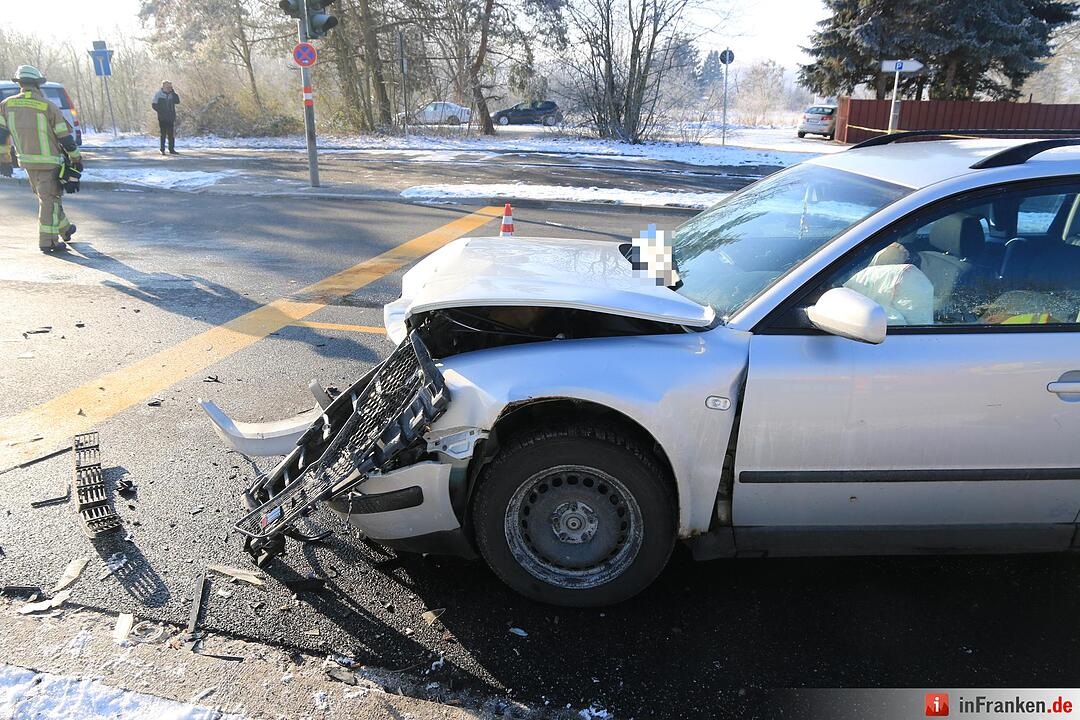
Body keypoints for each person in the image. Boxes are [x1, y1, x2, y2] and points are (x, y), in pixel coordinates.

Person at [0, 65, 82, 253]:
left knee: (48, 197)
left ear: (19, 83)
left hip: (27, 162)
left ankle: (65, 228)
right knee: (49, 200)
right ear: (38, 84)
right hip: (49, 162)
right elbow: (65, 137)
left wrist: (4, 159)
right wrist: (76, 158)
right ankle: (48, 241)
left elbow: (1, 134)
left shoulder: (6, 105)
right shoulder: (48, 106)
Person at [151, 81, 180, 155]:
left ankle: (171, 149)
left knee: (171, 134)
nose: (169, 88)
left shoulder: (172, 95)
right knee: (163, 134)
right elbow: (154, 105)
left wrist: (173, 92)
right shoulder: (158, 94)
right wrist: (161, 111)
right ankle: (162, 149)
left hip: (171, 117)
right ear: (163, 86)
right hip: (162, 118)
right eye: (168, 87)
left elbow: (177, 101)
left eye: (170, 87)